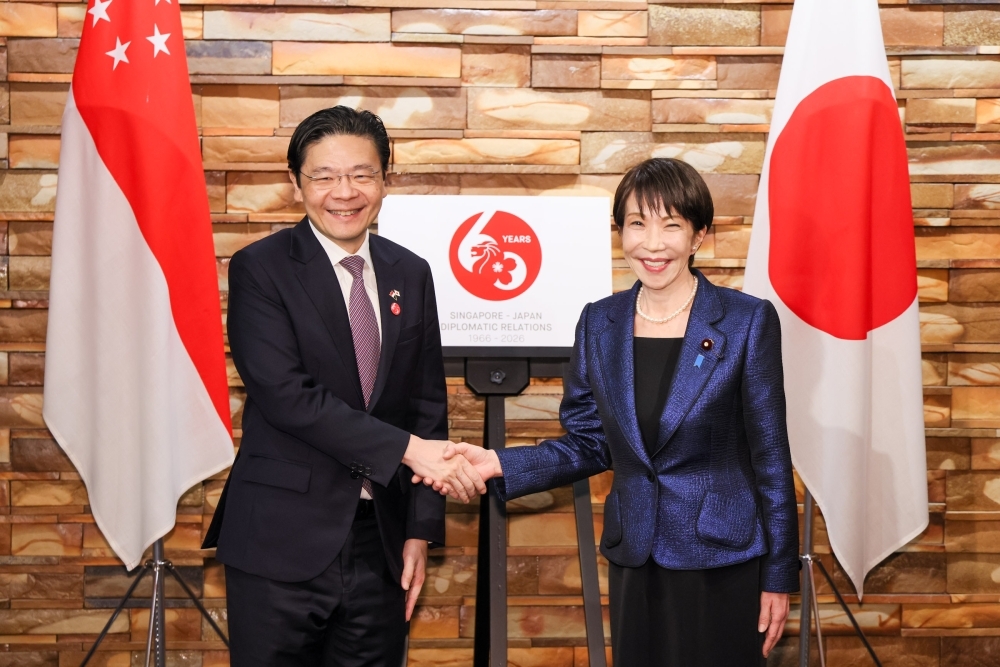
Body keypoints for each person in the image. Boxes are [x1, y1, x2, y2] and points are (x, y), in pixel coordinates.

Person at [443, 158, 800, 666]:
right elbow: (591, 442)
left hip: (723, 557)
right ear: (621, 233)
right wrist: (500, 464)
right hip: (636, 553)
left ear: (698, 235)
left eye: (671, 225)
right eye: (638, 223)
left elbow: (770, 457)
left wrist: (779, 575)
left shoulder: (746, 321)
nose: (653, 244)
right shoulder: (599, 323)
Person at [202, 106, 485, 667]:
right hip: (280, 541)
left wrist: (419, 531)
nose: (344, 192)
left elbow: (427, 404)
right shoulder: (260, 269)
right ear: (295, 183)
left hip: (379, 543)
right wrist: (409, 451)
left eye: (362, 174)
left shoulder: (412, 272)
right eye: (324, 176)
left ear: (385, 178)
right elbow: (287, 396)